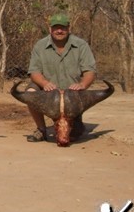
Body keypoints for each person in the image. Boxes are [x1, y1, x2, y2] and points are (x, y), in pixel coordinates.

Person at [26, 13, 97, 142]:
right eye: (56, 27)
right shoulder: (40, 45)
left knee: (74, 135)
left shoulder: (81, 45)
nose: (59, 31)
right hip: (47, 91)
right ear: (50, 29)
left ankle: (75, 124)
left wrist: (82, 85)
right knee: (30, 93)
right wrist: (44, 83)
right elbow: (34, 72)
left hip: (72, 93)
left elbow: (90, 71)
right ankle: (41, 129)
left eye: (63, 28)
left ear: (69, 28)